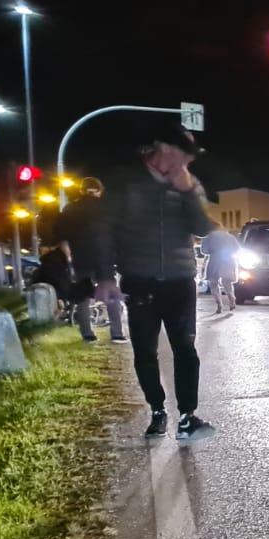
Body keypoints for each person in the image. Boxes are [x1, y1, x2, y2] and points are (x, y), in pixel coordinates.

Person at [101, 123, 216, 440]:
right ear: (163, 149)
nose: (187, 163)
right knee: (144, 352)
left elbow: (204, 226)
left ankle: (188, 417)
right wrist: (104, 276)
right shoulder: (126, 182)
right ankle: (157, 410)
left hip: (179, 280)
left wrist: (189, 191)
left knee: (185, 348)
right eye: (184, 155)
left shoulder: (189, 185)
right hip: (139, 280)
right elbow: (105, 229)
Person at [56, 179, 128, 343]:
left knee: (82, 297)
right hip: (105, 258)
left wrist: (69, 258)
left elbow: (62, 238)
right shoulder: (107, 209)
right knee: (111, 295)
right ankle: (117, 334)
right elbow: (119, 235)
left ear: (81, 191)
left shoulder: (70, 209)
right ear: (99, 191)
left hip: (80, 258)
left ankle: (87, 334)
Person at [202, 229, 241, 314]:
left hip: (214, 260)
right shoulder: (230, 237)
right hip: (229, 260)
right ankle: (231, 298)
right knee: (227, 282)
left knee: (213, 283)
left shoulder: (208, 236)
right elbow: (237, 248)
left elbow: (204, 250)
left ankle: (219, 303)